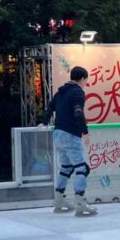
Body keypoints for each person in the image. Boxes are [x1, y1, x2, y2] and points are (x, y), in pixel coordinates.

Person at [39, 66, 97, 216]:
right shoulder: (78, 92)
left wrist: (44, 121)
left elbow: (49, 107)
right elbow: (78, 112)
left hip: (58, 134)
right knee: (81, 168)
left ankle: (59, 200)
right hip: (71, 134)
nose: (86, 83)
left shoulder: (60, 92)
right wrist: (85, 132)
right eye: (86, 80)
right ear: (82, 78)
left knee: (66, 167)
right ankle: (80, 201)